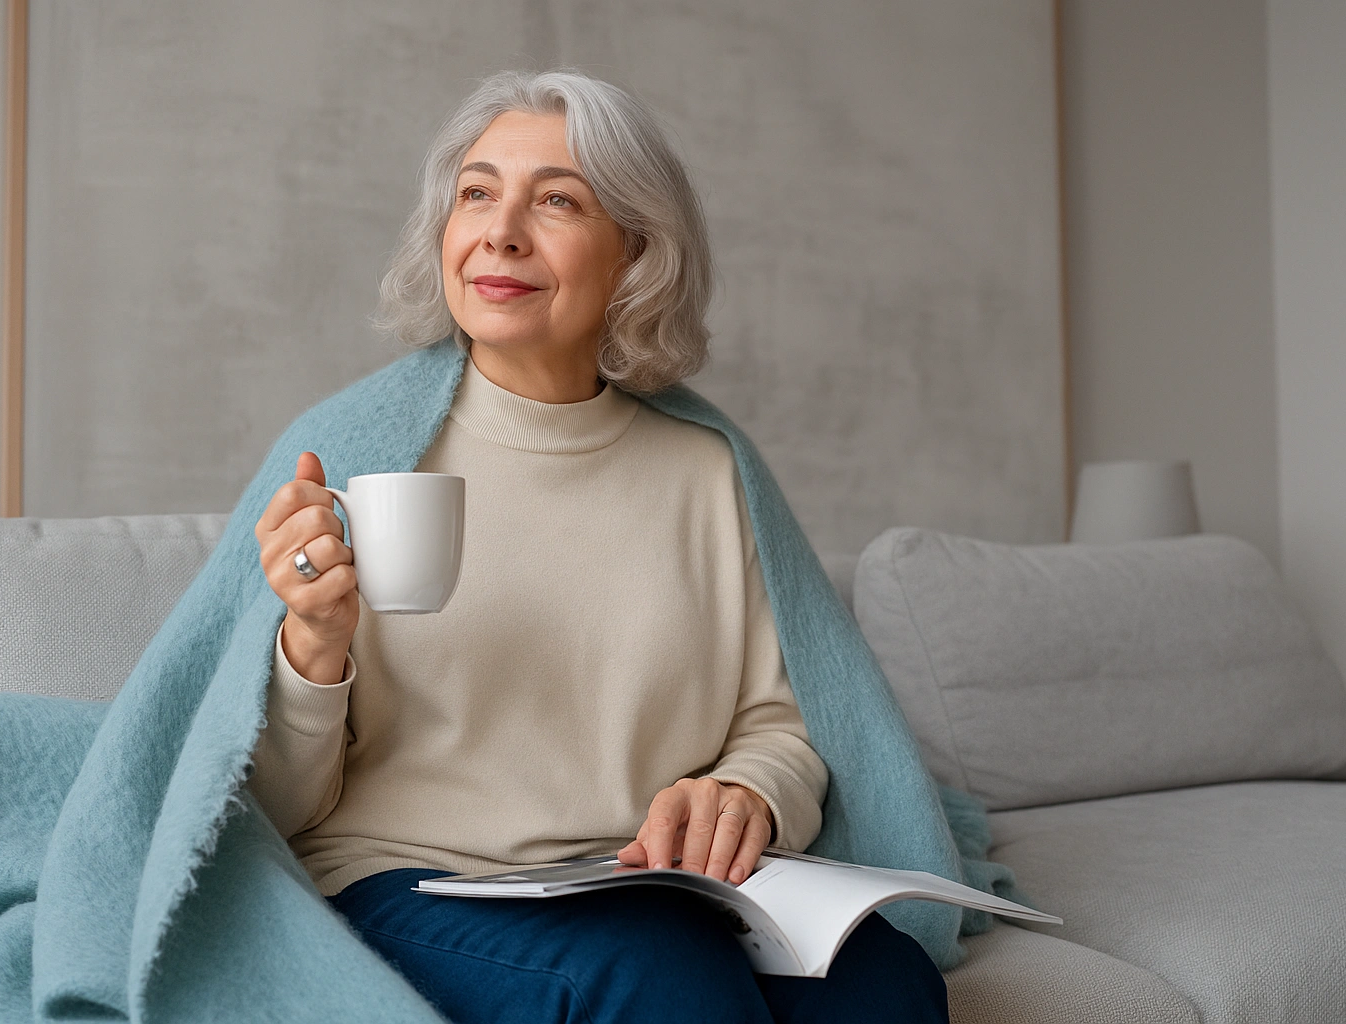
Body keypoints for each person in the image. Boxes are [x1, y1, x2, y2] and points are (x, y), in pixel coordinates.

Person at [246, 68, 948, 1023]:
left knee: (887, 984)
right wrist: (313, 651)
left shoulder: (709, 471)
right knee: (652, 975)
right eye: (478, 193)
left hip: (640, 887)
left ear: (636, 254)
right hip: (402, 884)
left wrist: (747, 792)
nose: (501, 230)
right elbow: (266, 810)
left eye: (558, 201)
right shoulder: (354, 457)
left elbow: (783, 718)